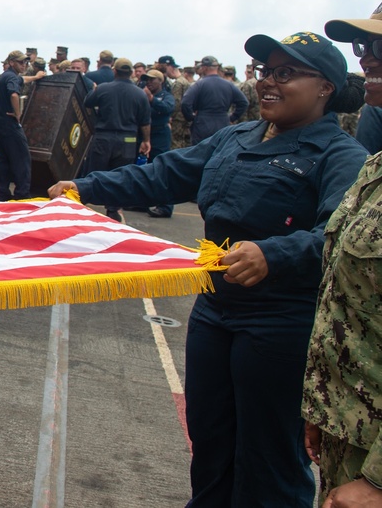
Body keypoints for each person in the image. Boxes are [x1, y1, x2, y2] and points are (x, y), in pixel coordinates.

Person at [49, 31, 366, 507]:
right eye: (264, 73)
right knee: (210, 441)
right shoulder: (236, 136)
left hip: (281, 324)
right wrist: (84, 186)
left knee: (269, 456)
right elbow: (163, 175)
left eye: (285, 74)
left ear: (325, 87)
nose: (267, 84)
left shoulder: (342, 157)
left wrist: (273, 254)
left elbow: (336, 240)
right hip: (215, 311)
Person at [304, 9, 382, 506]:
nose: (368, 59)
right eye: (364, 48)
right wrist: (324, 407)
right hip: (349, 429)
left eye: (381, 48)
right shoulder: (375, 167)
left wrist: (377, 480)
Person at [79, 57, 151, 222]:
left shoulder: (104, 89)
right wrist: (146, 140)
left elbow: (87, 102)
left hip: (104, 136)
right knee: (121, 175)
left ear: (115, 71)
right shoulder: (140, 94)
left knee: (93, 172)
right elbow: (145, 122)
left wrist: (95, 91)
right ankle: (113, 210)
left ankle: (81, 204)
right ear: (131, 73)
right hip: (128, 140)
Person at [180, 55, 249, 144]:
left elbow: (185, 103)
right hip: (223, 123)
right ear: (217, 67)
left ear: (204, 68)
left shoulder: (199, 85)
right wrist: (232, 118)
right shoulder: (229, 85)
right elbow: (244, 102)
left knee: (200, 154)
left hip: (202, 124)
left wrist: (191, 117)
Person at [0, 50, 32, 201]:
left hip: (0, 120)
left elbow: (22, 80)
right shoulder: (11, 77)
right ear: (11, 62)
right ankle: (22, 193)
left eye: (26, 62)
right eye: (21, 62)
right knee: (22, 158)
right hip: (10, 122)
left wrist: (37, 76)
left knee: (3, 158)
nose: (24, 65)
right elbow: (14, 94)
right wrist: (18, 114)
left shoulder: (6, 76)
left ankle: (2, 193)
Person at [141, 68, 175, 218]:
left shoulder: (165, 96)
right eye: (147, 79)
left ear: (160, 81)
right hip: (145, 134)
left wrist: (152, 100)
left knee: (161, 168)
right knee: (144, 169)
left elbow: (168, 108)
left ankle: (165, 206)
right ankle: (141, 201)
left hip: (160, 134)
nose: (149, 82)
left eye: (152, 79)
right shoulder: (141, 93)